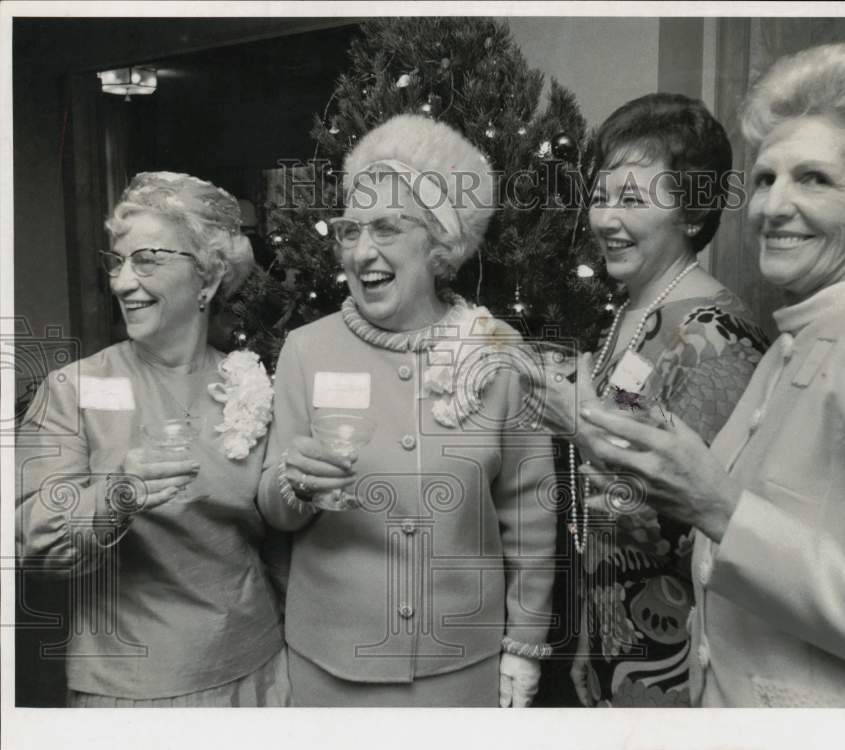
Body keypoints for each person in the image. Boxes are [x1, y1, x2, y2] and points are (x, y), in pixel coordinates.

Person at [578, 43, 845, 707]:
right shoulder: (802, 338)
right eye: (766, 179)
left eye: (814, 179)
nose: (773, 206)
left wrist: (719, 507)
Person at [256, 114, 556, 707]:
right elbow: (270, 506)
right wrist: (292, 483)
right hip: (330, 670)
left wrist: (524, 644)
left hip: (460, 673)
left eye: (388, 227)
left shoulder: (497, 352)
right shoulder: (306, 350)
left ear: (440, 242)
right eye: (350, 230)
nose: (363, 249)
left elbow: (531, 515)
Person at [16, 171, 288, 707]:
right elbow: (32, 539)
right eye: (117, 262)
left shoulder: (253, 385)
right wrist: (118, 493)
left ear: (206, 279)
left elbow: (281, 543)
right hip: (132, 689)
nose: (121, 282)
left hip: (258, 676)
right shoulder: (74, 389)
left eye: (147, 260)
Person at [534, 93, 768, 707]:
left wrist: (576, 423)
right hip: (615, 639)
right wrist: (591, 631)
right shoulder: (632, 312)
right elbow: (604, 519)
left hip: (683, 659)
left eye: (632, 199)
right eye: (603, 195)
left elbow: (674, 527)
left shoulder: (718, 337)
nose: (605, 218)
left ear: (691, 213)